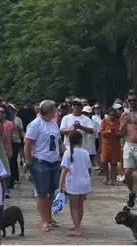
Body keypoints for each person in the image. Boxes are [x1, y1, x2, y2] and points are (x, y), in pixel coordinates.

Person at [24, 99, 63, 231]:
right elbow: (28, 143)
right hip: (41, 161)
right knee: (42, 192)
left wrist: (67, 155)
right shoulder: (35, 124)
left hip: (54, 160)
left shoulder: (54, 124)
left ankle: (49, 216)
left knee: (52, 191)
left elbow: (59, 142)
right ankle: (44, 220)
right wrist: (28, 160)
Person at [59, 129, 92, 237]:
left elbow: (64, 170)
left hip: (73, 183)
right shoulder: (85, 153)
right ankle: (77, 224)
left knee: (74, 207)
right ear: (81, 140)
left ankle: (77, 228)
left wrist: (60, 184)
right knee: (80, 205)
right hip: (84, 183)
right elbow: (88, 168)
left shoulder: (67, 153)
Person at [100, 108, 122, 185]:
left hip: (115, 145)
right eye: (110, 115)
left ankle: (113, 179)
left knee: (114, 163)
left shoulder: (119, 122)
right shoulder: (104, 122)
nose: (112, 117)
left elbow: (121, 133)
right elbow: (101, 132)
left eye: (113, 115)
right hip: (106, 145)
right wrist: (108, 132)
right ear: (108, 115)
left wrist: (117, 133)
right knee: (103, 161)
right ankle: (107, 176)